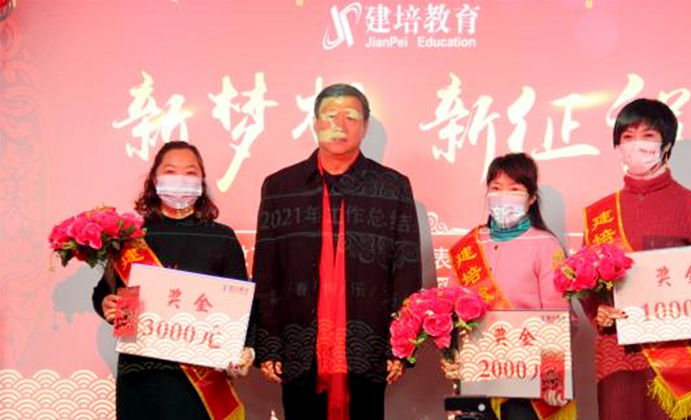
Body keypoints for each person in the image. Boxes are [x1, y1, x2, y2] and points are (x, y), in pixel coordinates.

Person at [253, 83, 422, 420]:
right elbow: (267, 271)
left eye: (351, 117)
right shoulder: (280, 186)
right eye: (330, 116)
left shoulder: (392, 186)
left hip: (369, 345)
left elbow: (406, 271)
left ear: (365, 126)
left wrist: (401, 347)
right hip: (298, 345)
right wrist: (268, 344)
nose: (340, 125)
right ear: (315, 123)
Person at [92, 141, 255, 420]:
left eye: (190, 172)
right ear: (154, 180)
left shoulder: (221, 237)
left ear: (202, 181)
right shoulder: (131, 236)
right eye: (170, 171)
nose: (181, 178)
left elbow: (243, 304)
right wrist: (106, 303)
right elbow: (105, 293)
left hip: (201, 381)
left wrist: (244, 348)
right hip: (141, 375)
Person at [582, 98, 691, 420]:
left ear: (666, 145)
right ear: (618, 147)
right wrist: (598, 311)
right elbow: (587, 283)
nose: (636, 145)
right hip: (619, 352)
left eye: (648, 136)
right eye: (627, 137)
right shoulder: (599, 214)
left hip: (677, 354)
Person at [442, 153, 576, 420]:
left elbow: (558, 315)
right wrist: (450, 355)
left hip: (528, 382)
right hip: (478, 376)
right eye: (496, 188)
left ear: (532, 197)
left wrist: (553, 377)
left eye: (515, 189)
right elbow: (451, 311)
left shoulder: (545, 244)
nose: (504, 197)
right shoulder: (469, 248)